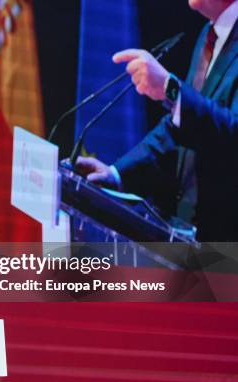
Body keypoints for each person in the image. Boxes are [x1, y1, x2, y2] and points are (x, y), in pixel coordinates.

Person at [75, 0, 237, 241]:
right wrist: (116, 174)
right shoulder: (209, 34)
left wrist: (170, 89)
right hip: (193, 244)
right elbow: (178, 129)